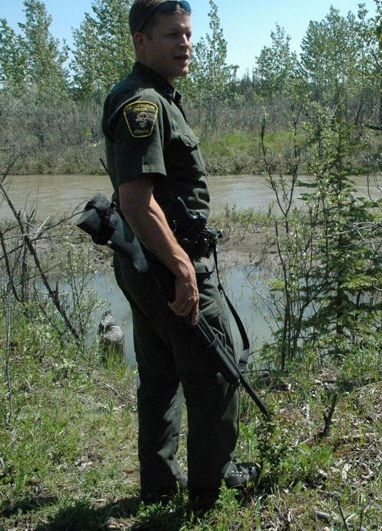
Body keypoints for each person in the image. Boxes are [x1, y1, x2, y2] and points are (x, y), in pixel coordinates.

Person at [101, 0, 258, 513]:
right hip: (168, 266)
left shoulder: (156, 98)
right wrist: (184, 269)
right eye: (172, 35)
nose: (185, 44)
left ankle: (158, 486)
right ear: (141, 41)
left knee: (160, 375)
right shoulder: (142, 105)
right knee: (216, 377)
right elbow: (135, 201)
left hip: (146, 265)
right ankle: (210, 493)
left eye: (187, 34)